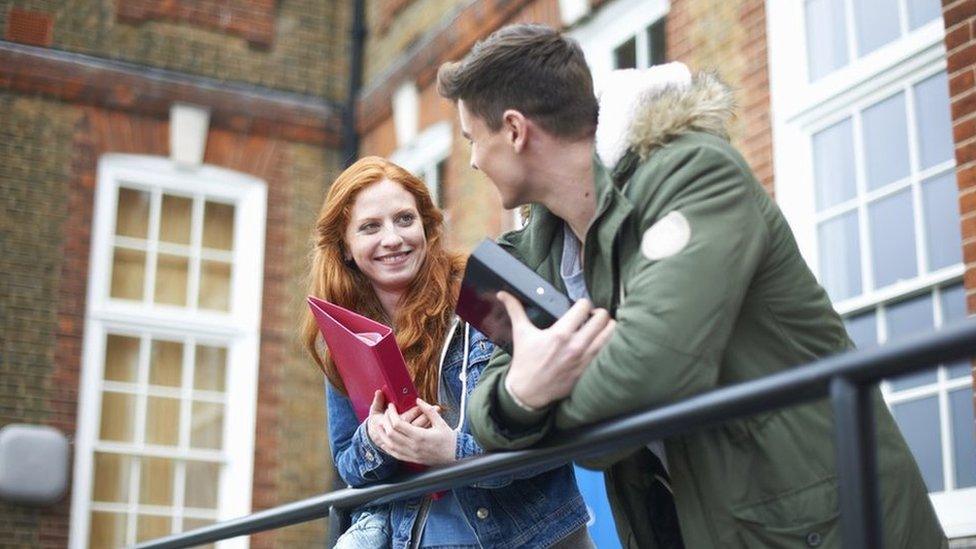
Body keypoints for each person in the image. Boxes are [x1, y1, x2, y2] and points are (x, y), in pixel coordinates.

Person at [436, 23, 948, 548]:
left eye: (474, 139)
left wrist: (544, 405)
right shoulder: (534, 248)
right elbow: (485, 405)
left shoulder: (694, 174)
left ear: (516, 130)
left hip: (814, 524)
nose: (473, 160)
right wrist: (524, 391)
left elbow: (653, 370)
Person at [302, 156, 593, 548]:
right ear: (346, 248)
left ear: (426, 225)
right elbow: (348, 465)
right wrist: (375, 438)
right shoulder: (346, 334)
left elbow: (556, 433)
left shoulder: (485, 293)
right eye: (370, 227)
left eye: (405, 219)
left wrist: (454, 453)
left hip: (530, 537)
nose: (392, 238)